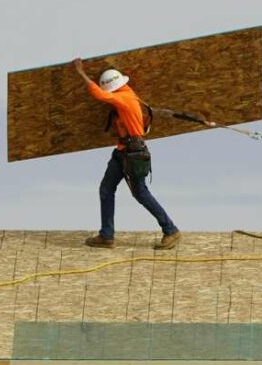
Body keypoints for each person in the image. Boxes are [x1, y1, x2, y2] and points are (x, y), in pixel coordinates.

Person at [72, 58, 181, 250]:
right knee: (106, 189)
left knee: (140, 193)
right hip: (122, 152)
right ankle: (106, 236)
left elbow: (99, 94)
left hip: (132, 153)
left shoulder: (124, 99)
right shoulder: (128, 93)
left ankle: (170, 230)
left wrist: (81, 72)